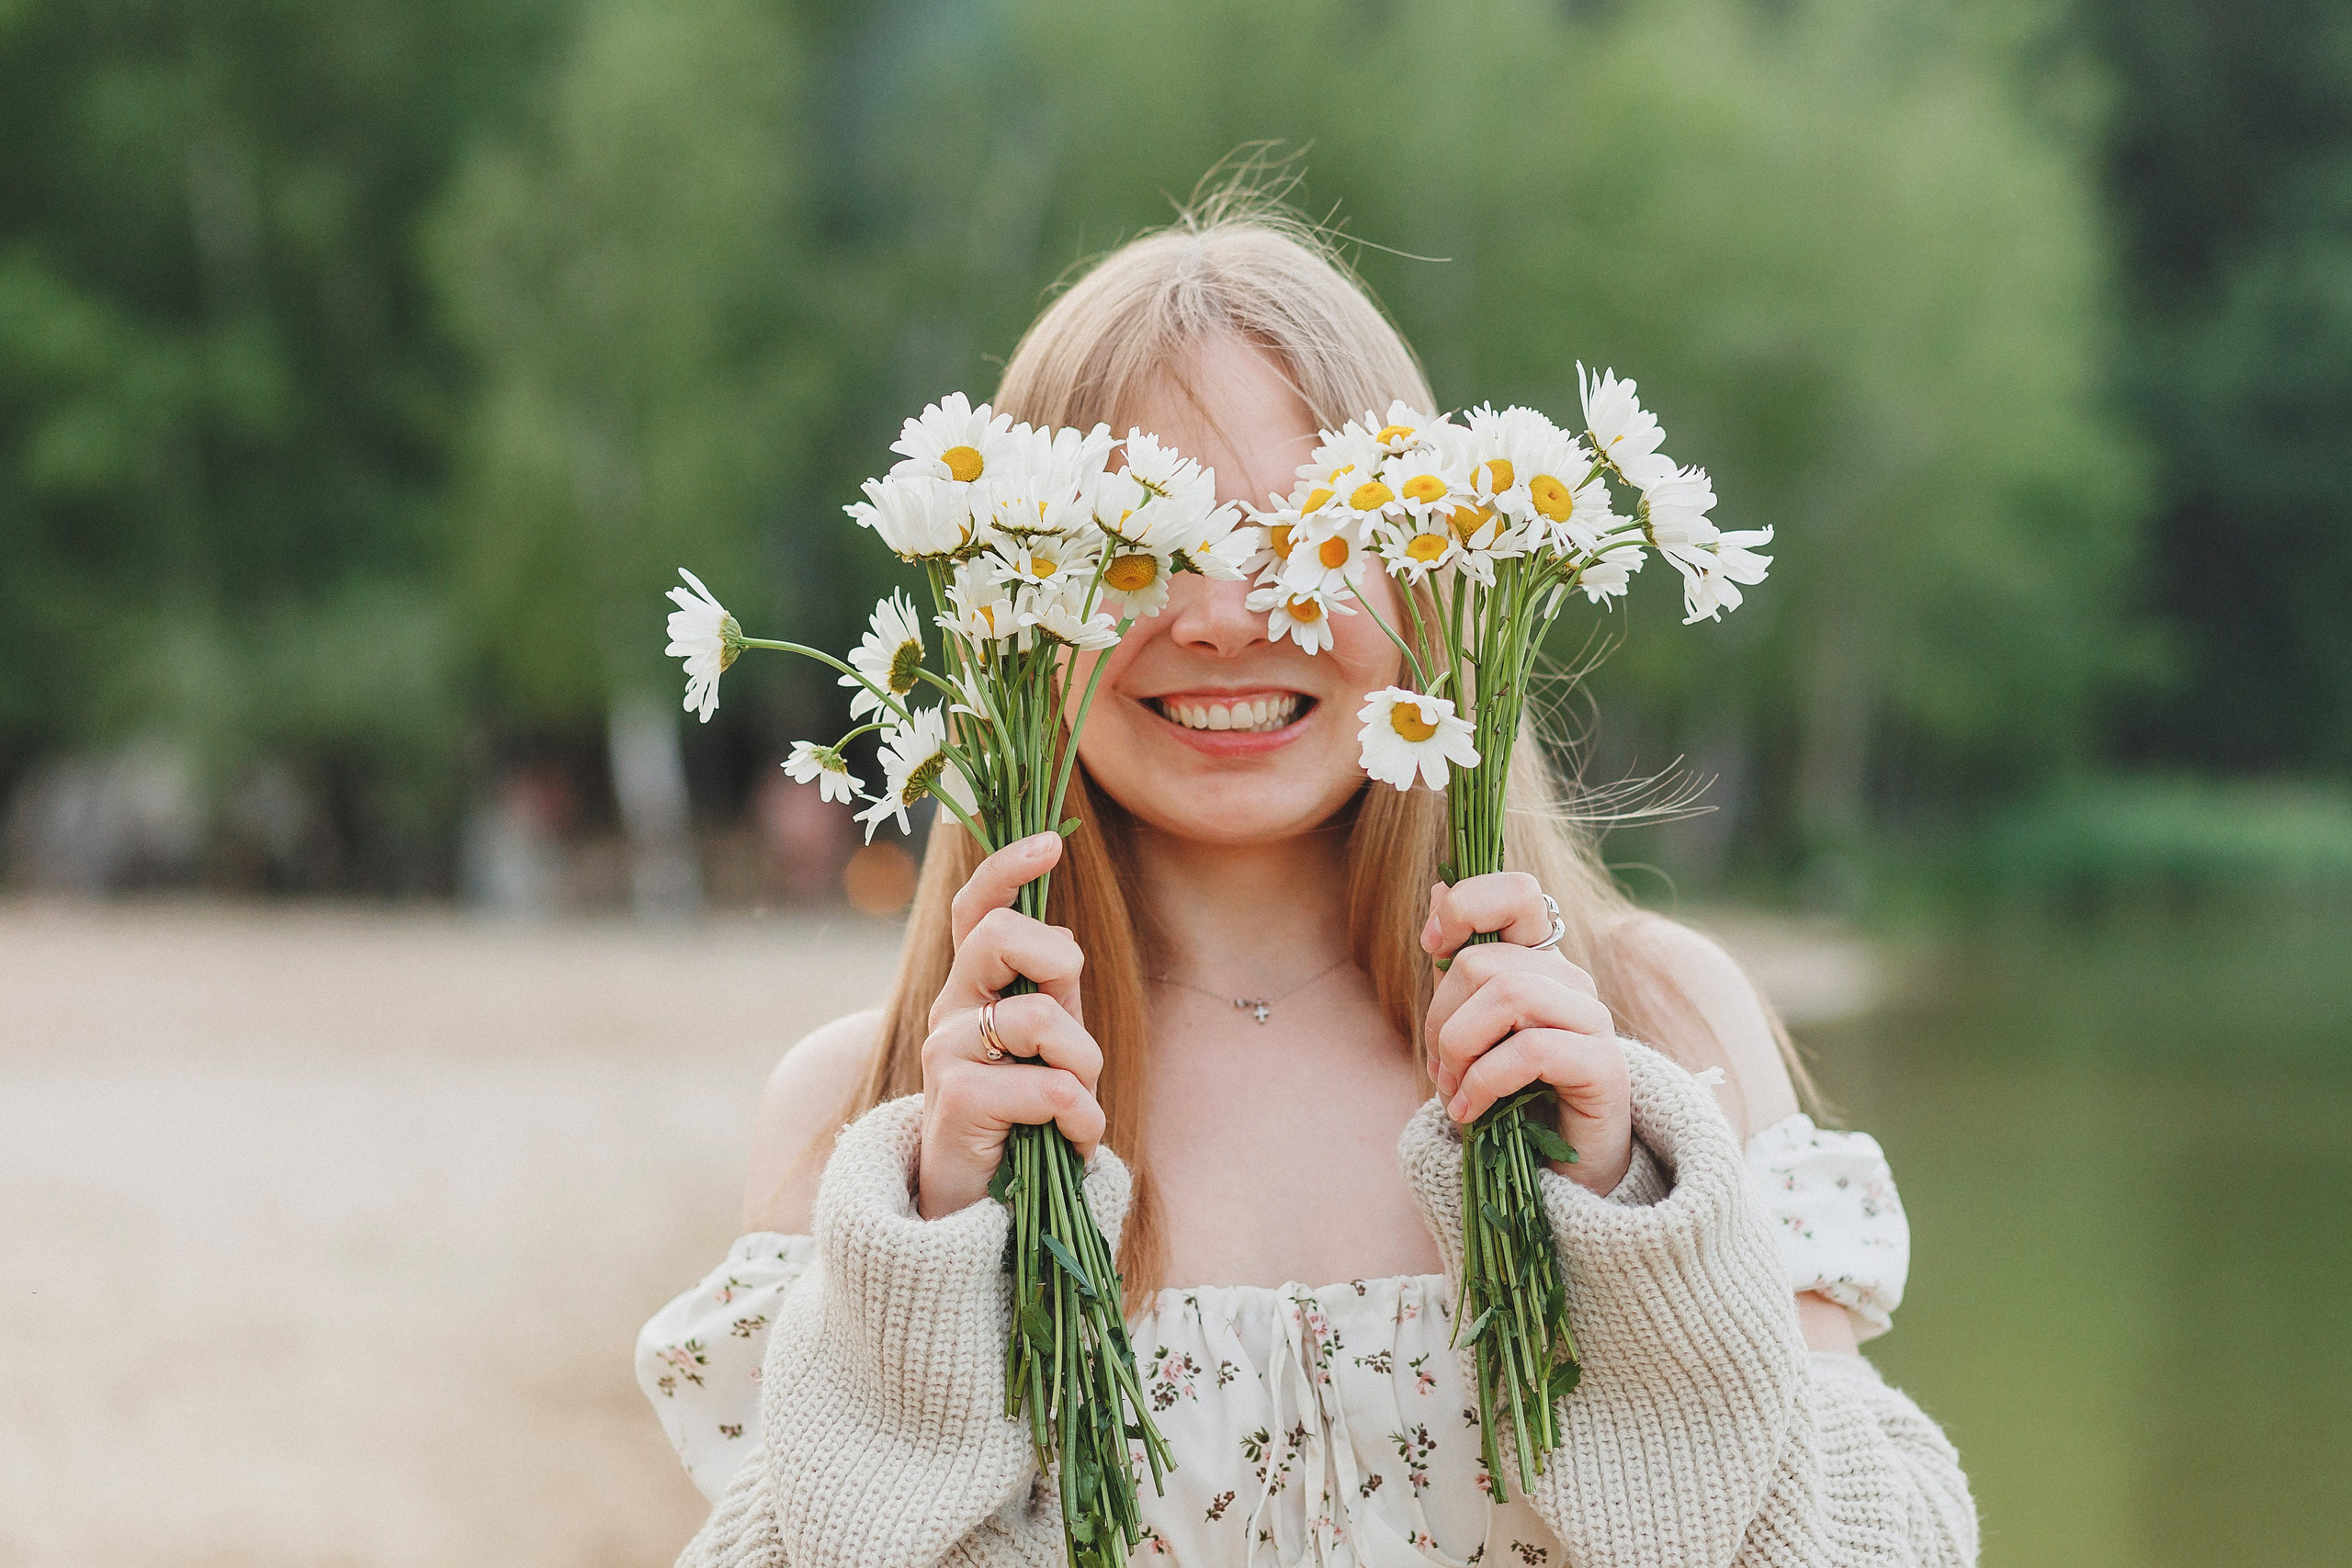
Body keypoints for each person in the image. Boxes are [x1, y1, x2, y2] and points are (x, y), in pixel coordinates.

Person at [637, 186, 1973, 1567]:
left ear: (1434, 566)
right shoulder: (884, 1126)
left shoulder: (1657, 1041)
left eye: (1299, 536)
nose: (1222, 617)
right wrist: (928, 1263)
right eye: (1144, 547)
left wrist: (1632, 1218)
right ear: (1008, 593)